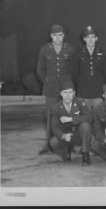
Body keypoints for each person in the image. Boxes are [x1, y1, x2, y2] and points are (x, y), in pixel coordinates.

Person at [36, 24, 75, 155]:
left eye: (60, 35)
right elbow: (40, 69)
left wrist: (70, 86)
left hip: (66, 90)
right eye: (55, 35)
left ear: (63, 36)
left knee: (68, 115)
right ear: (51, 36)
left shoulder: (70, 49)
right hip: (51, 88)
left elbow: (73, 69)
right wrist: (46, 81)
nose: (57, 38)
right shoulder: (44, 49)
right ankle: (48, 145)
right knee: (50, 116)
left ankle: (70, 144)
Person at [49, 81, 92, 166]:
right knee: (53, 142)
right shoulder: (56, 107)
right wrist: (63, 136)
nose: (67, 95)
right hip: (66, 136)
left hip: (79, 135)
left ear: (74, 93)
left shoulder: (80, 102)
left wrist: (71, 119)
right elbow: (54, 127)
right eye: (65, 92)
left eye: (70, 92)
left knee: (85, 125)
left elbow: (89, 117)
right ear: (61, 94)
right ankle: (65, 152)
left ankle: (85, 154)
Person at [72, 26, 106, 115]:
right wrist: (80, 85)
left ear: (96, 38)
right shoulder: (78, 54)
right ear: (84, 39)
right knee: (85, 118)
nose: (90, 40)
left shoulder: (103, 53)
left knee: (98, 117)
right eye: (88, 37)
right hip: (83, 91)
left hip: (98, 91)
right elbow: (75, 74)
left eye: (92, 37)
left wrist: (102, 87)